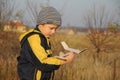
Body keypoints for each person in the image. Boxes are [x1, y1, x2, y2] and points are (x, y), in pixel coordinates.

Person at [17, 7, 75, 80]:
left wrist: (59, 57)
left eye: (56, 29)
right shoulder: (34, 39)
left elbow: (45, 59)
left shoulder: (44, 38)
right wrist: (63, 61)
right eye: (51, 28)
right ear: (41, 24)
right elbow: (43, 63)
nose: (54, 32)